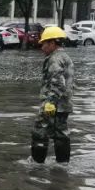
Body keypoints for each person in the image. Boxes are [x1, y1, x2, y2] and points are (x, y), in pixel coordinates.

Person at [31, 26, 74, 164]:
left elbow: (57, 83)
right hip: (64, 104)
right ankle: (63, 165)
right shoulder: (65, 57)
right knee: (61, 134)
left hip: (52, 104)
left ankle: (37, 165)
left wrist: (49, 103)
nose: (42, 47)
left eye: (44, 43)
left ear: (52, 43)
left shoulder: (54, 59)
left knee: (40, 132)